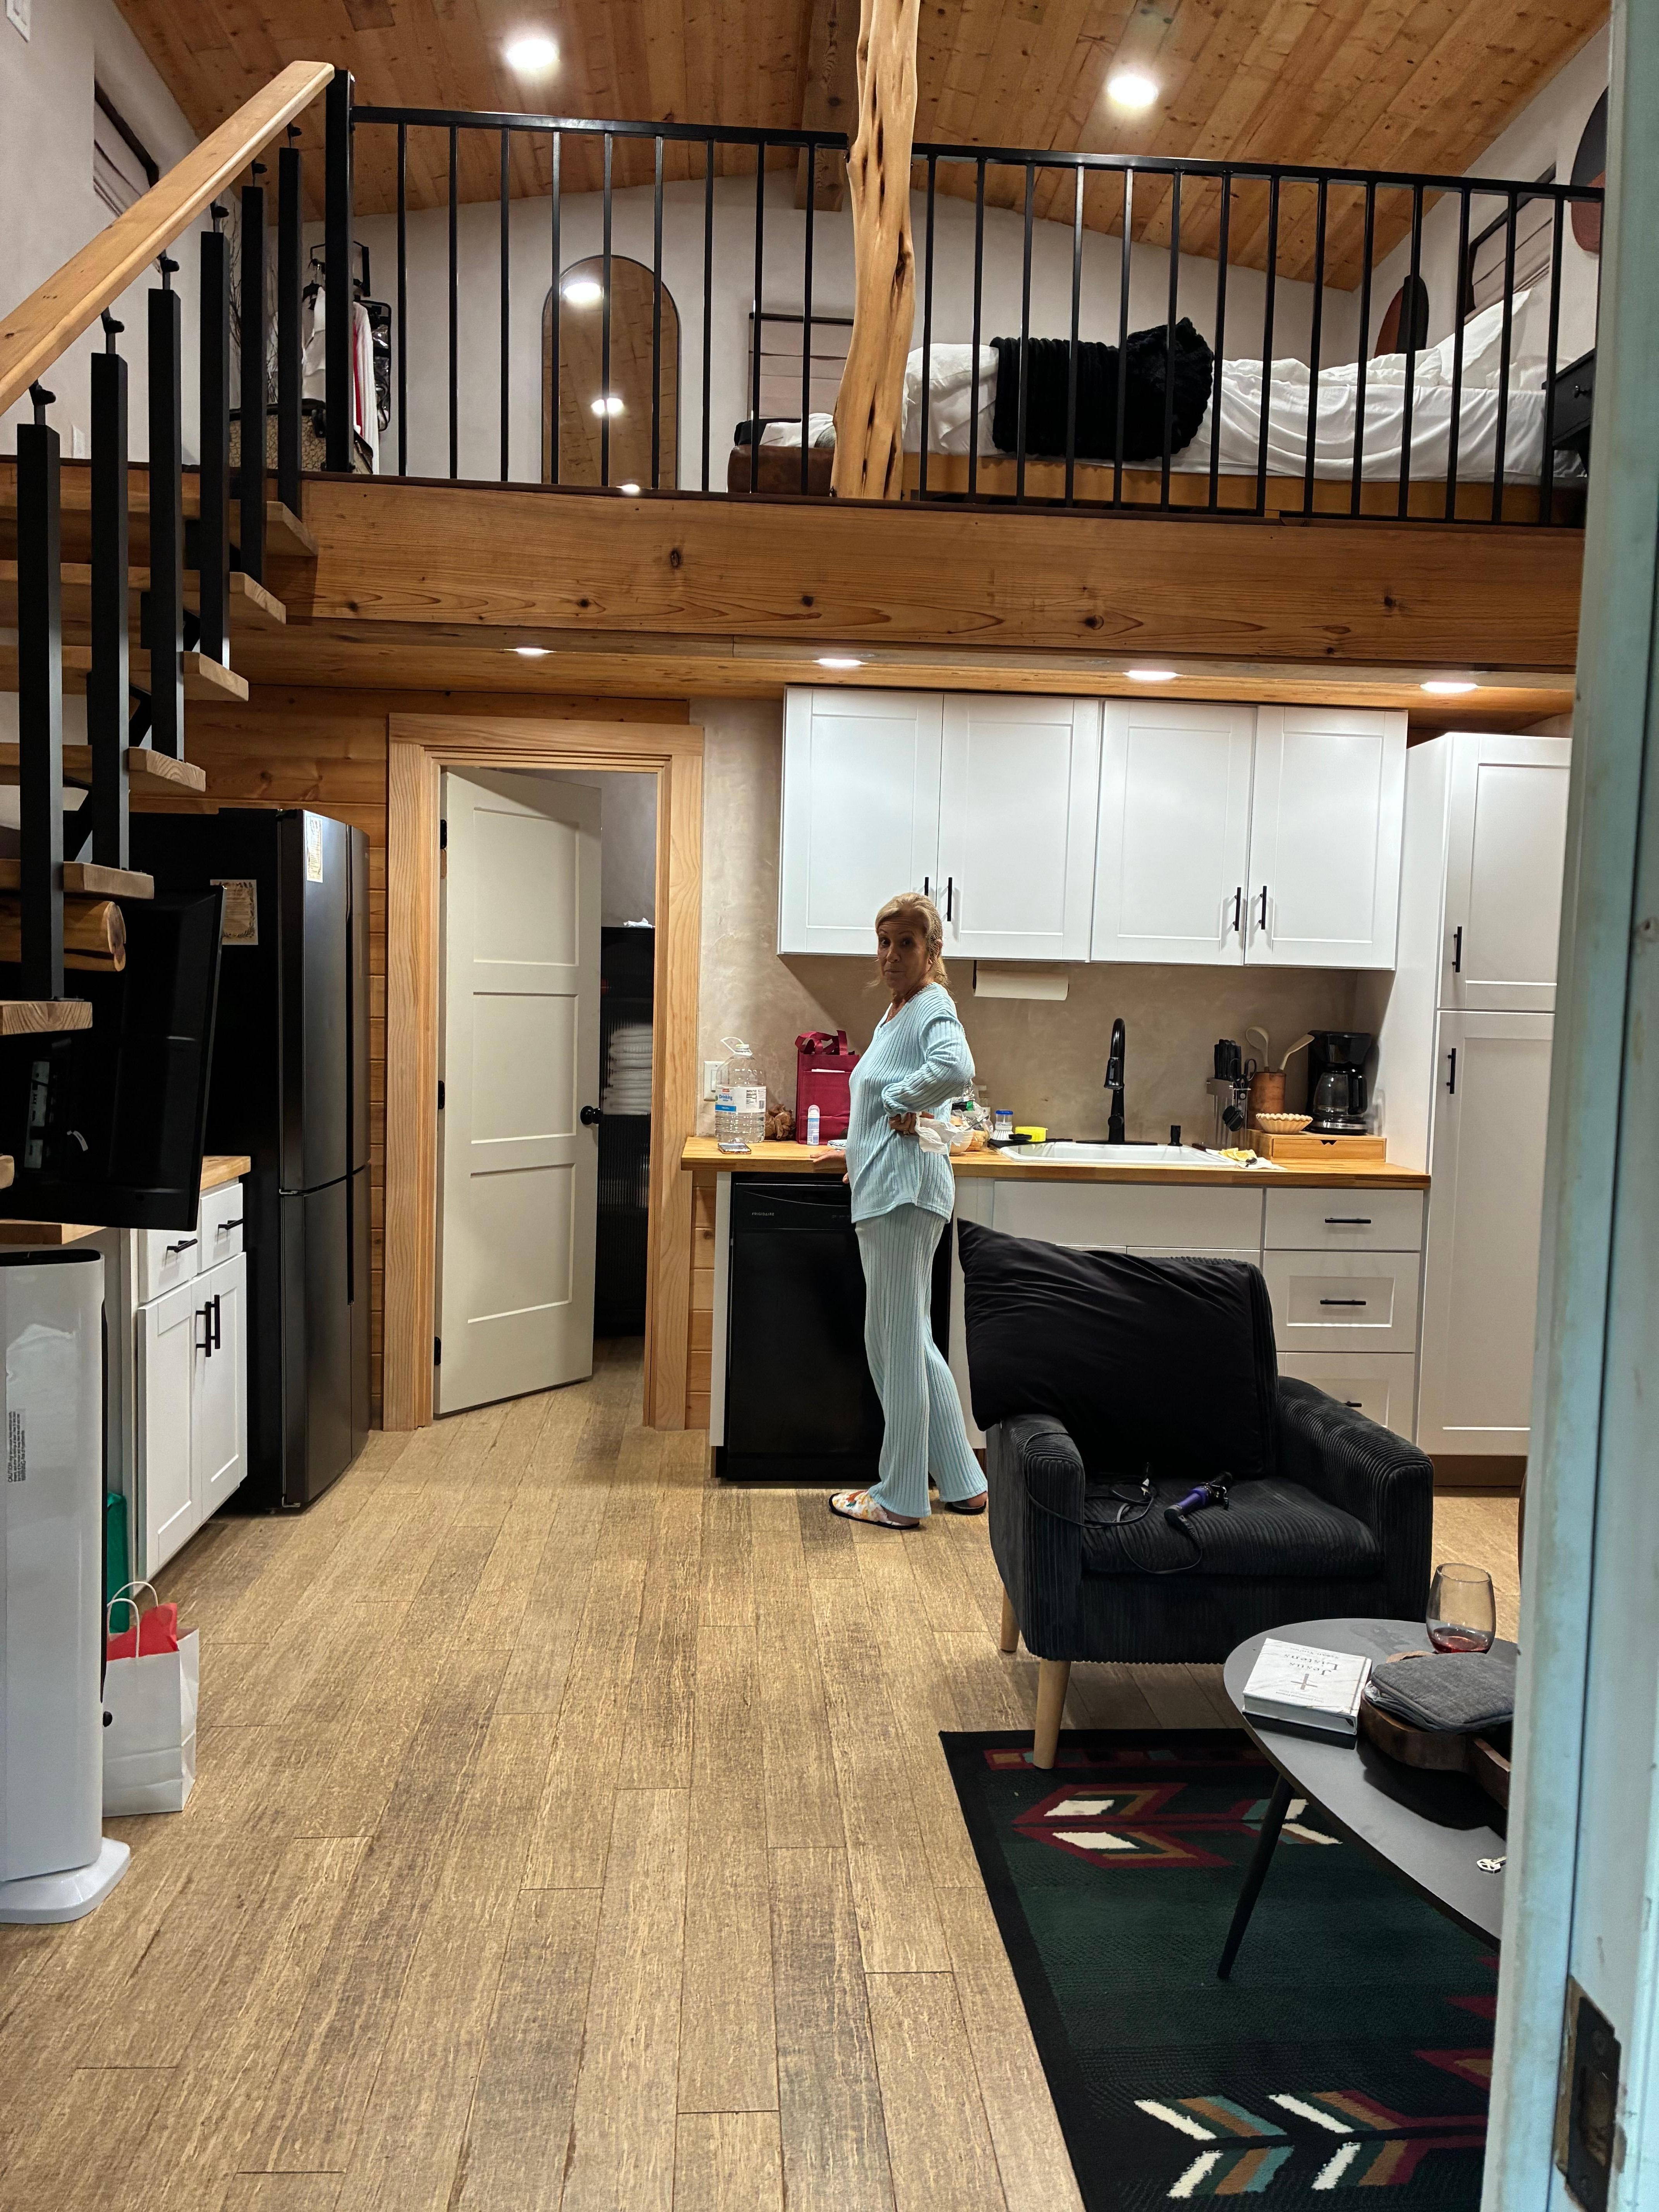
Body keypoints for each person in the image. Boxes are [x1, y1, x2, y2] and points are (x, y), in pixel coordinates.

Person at [824, 892, 989, 1529]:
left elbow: (955, 1068)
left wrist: (901, 1098)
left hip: (903, 1193)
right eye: (884, 942)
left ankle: (898, 1496)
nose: (891, 955)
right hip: (890, 1186)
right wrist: (852, 1148)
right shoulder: (897, 1012)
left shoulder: (931, 1005)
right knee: (908, 1339)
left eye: (907, 943)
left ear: (933, 950)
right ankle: (963, 1481)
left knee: (892, 1344)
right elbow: (879, 1104)